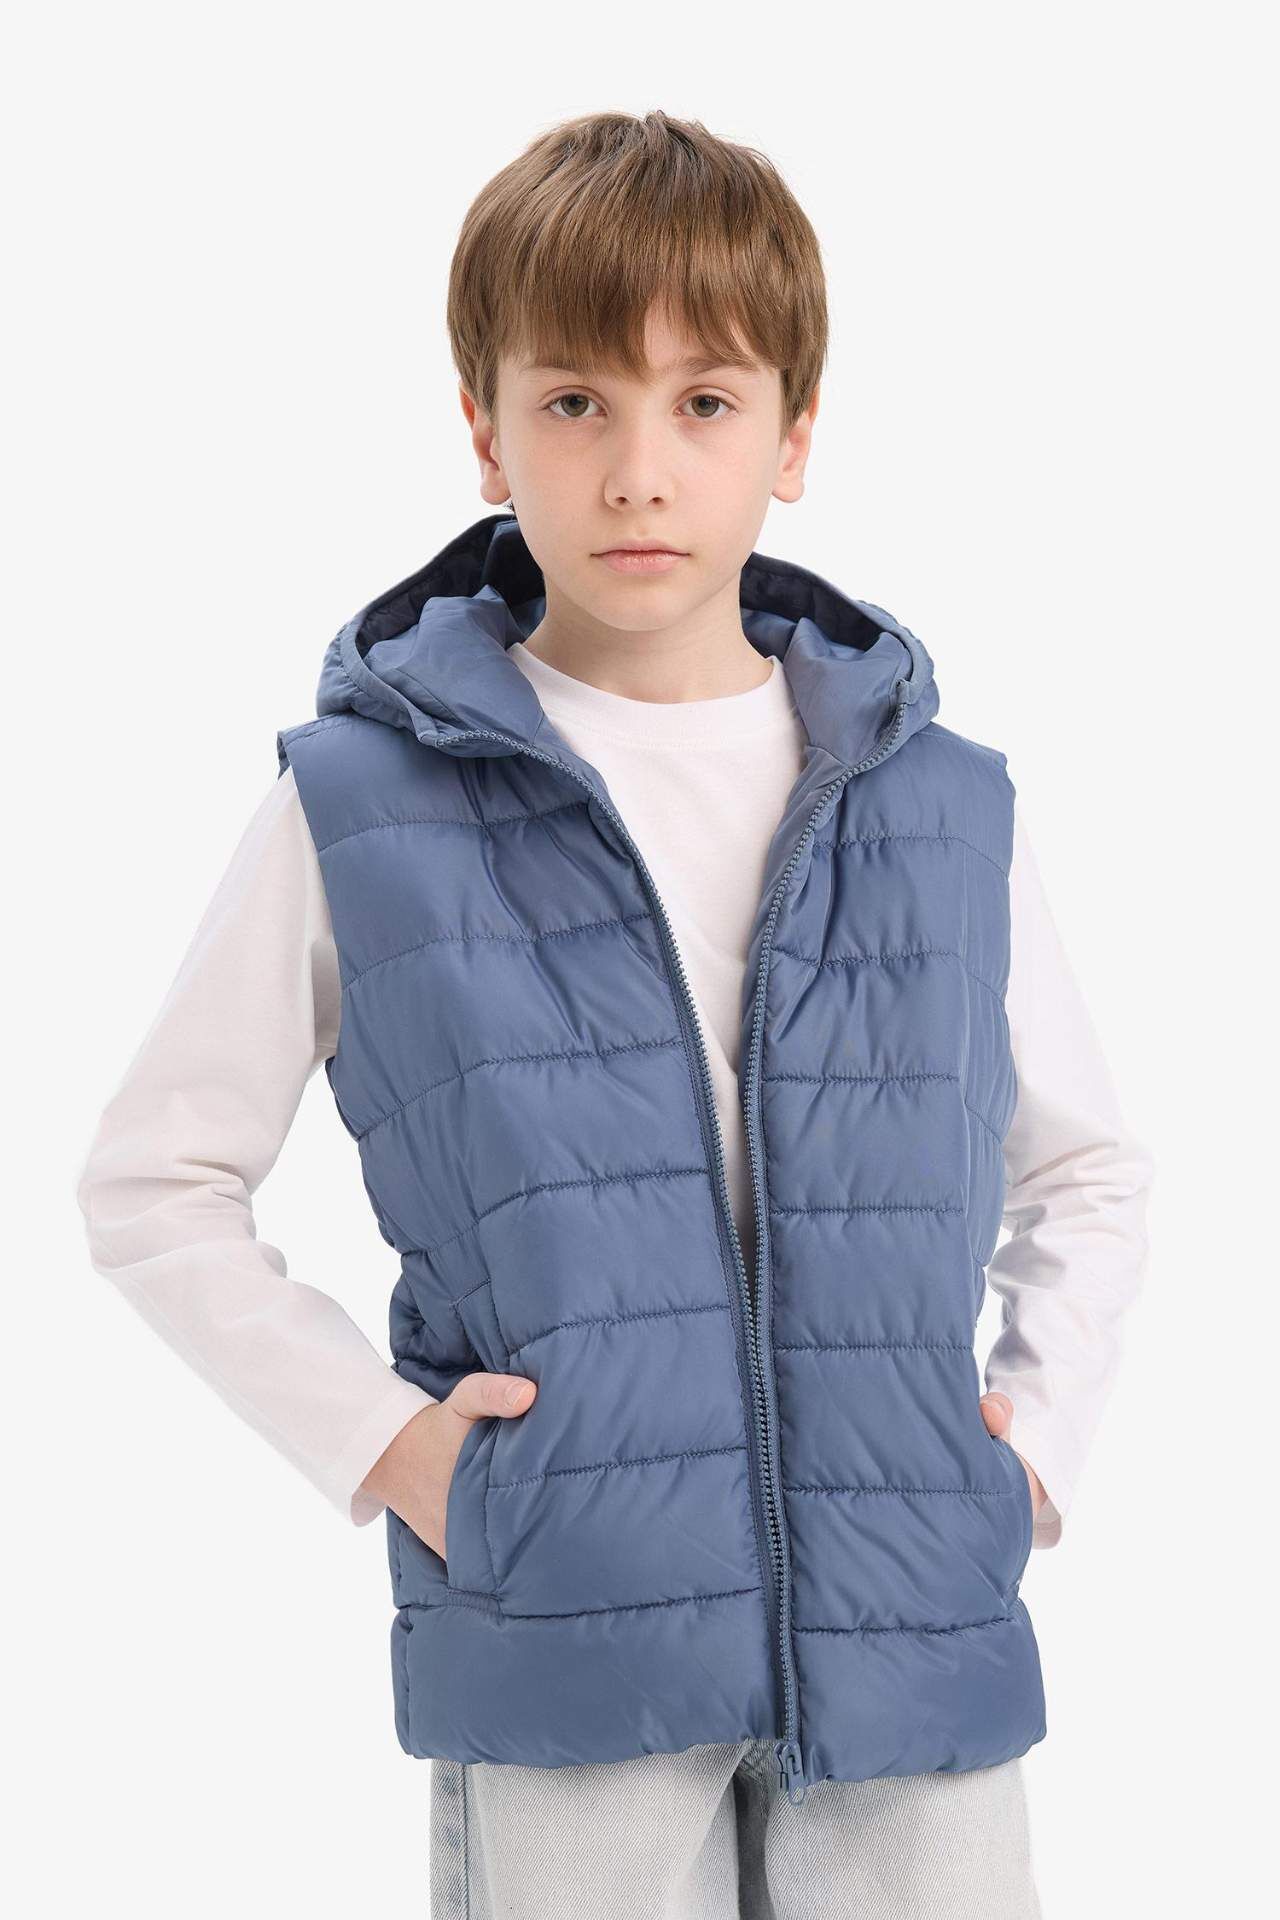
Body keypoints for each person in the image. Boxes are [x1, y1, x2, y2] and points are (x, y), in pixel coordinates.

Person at [75, 109, 1155, 1918]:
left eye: (704, 402)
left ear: (793, 436)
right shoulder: (365, 805)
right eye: (576, 401)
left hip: (917, 1652)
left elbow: (1090, 1167)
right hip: (571, 1642)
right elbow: (153, 1184)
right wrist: (395, 1449)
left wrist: (1032, 1448)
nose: (639, 472)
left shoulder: (942, 802)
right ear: (485, 429)